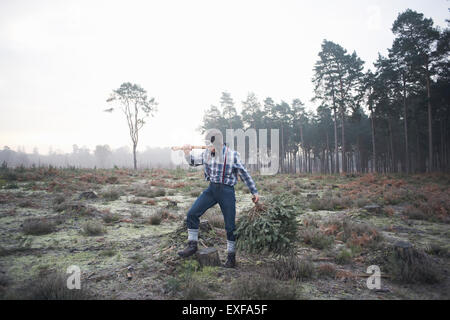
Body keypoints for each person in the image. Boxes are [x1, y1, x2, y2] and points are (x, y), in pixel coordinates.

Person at [177, 136, 259, 268]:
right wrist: (187, 153)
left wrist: (254, 191)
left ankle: (231, 258)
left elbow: (244, 174)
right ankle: (192, 245)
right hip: (212, 189)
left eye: (210, 145)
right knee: (192, 214)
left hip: (227, 191)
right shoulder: (207, 153)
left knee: (230, 226)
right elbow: (193, 162)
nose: (209, 148)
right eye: (207, 145)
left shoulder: (233, 155)